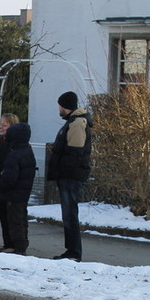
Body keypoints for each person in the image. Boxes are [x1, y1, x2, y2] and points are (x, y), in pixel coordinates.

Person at [47, 90, 92, 262]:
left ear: (64, 106)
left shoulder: (77, 123)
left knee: (70, 214)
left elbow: (75, 152)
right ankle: (71, 251)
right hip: (70, 175)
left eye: (60, 105)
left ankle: (73, 252)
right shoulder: (75, 121)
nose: (59, 109)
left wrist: (63, 171)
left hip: (70, 176)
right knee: (69, 213)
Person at [0, 122, 35, 255]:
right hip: (23, 193)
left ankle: (18, 247)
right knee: (21, 219)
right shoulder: (28, 151)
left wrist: (0, 187)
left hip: (13, 194)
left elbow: (9, 177)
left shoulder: (14, 154)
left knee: (14, 221)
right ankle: (20, 244)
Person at [0, 113, 19, 252]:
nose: (1, 127)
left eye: (4, 125)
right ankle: (7, 244)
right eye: (0, 124)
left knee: (10, 216)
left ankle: (12, 244)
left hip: (10, 186)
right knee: (3, 214)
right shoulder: (1, 141)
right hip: (1, 183)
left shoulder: (14, 144)